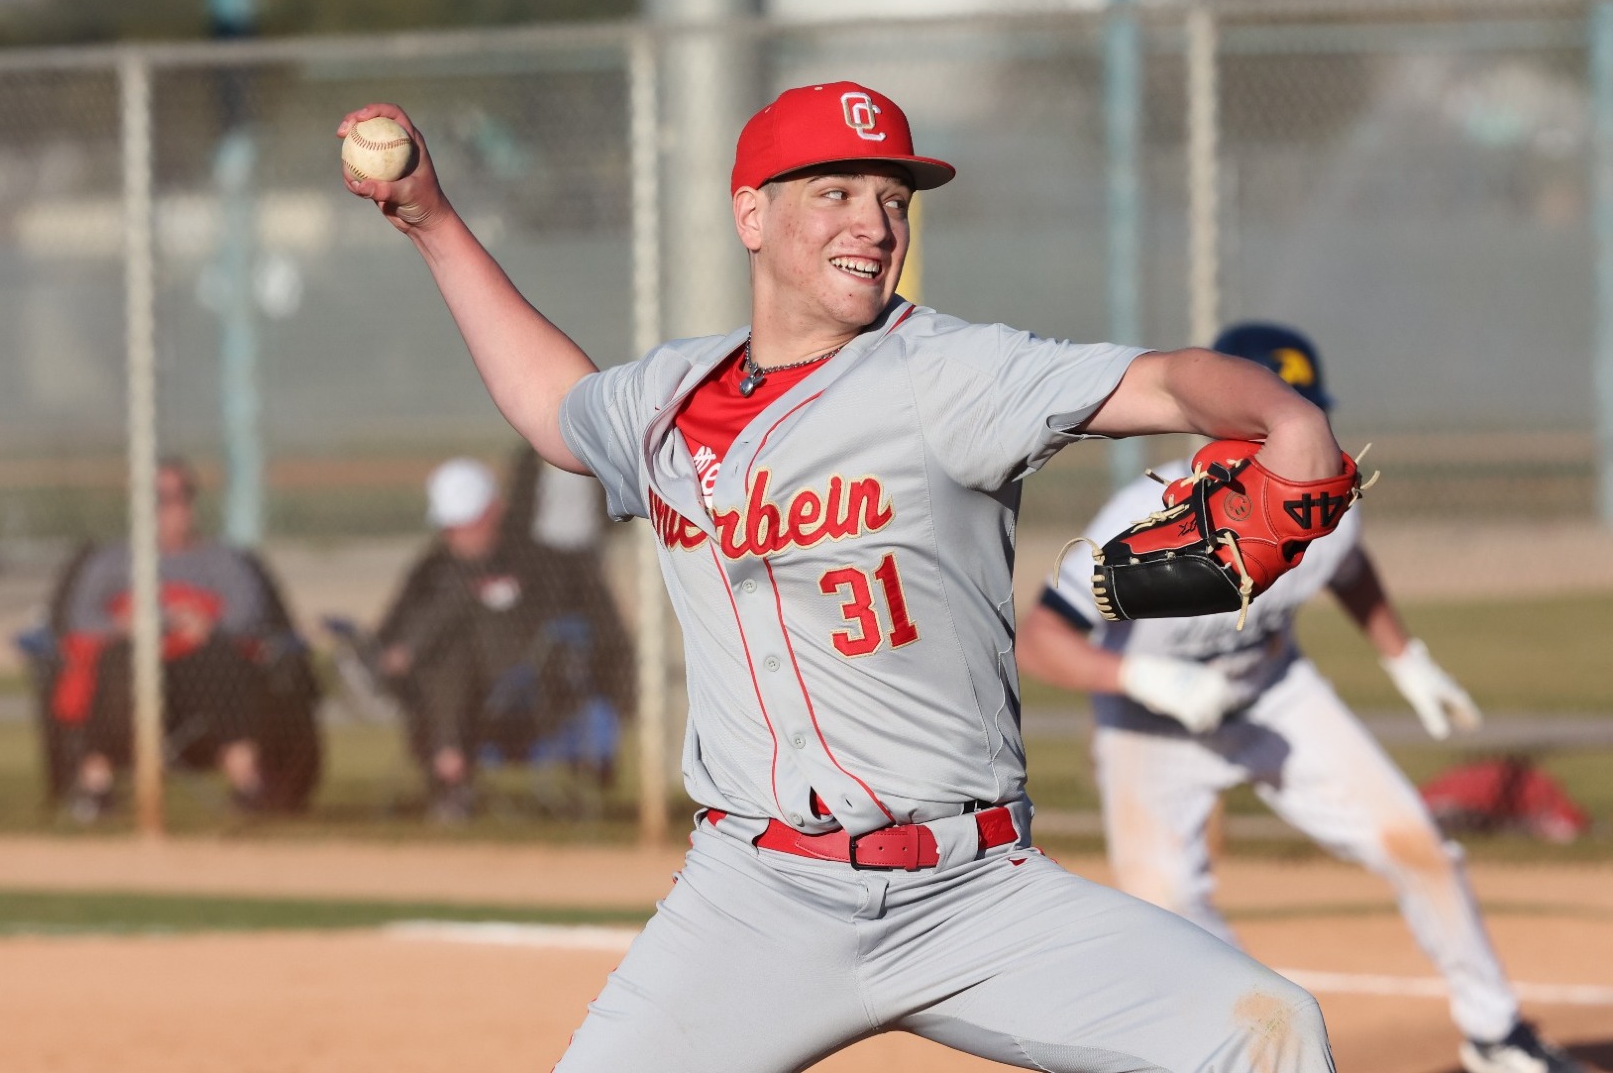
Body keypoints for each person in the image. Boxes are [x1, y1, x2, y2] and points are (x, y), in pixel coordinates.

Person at [341, 83, 1349, 1070]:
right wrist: (430, 221)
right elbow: (552, 402)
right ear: (752, 212)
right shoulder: (668, 401)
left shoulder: (952, 374)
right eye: (835, 191)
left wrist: (1285, 418)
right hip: (754, 897)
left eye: (893, 200)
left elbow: (1166, 379)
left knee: (1266, 1028)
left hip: (974, 890)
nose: (873, 223)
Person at [1014, 322, 1586, 1073]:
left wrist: (1403, 656)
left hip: (1275, 692)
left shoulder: (1322, 498)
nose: (1300, 440)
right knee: (1172, 916)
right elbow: (1039, 639)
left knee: (1418, 846)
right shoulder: (1140, 510)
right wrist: (1140, 678)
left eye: (1305, 411)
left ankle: (1496, 1035)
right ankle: (1259, 1048)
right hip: (1150, 726)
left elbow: (1350, 570)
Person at [376, 455, 632, 821]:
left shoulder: (536, 561)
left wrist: (410, 649)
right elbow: (390, 628)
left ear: (495, 511)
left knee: (448, 644)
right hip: (448, 690)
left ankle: (450, 771)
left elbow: (572, 631)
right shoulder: (432, 567)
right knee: (448, 656)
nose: (458, 536)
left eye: (467, 523)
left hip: (526, 686)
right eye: (451, 527)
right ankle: (452, 762)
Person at [51, 458, 296, 818]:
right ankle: (96, 785)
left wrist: (205, 624)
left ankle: (246, 778)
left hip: (199, 676)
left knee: (220, 654)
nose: (173, 508)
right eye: (159, 499)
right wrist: (125, 626)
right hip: (129, 675)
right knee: (119, 656)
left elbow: (249, 614)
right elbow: (80, 619)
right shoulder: (112, 561)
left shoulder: (221, 559)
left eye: (182, 496)